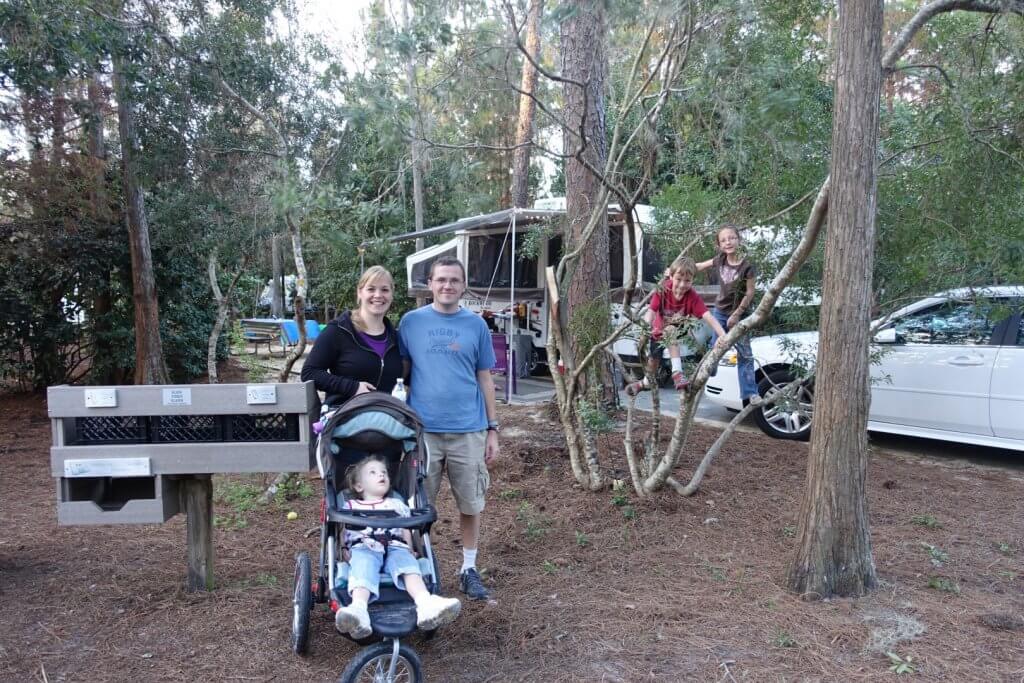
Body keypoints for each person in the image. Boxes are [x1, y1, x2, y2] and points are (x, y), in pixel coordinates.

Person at [398, 256, 499, 601]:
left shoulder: (476, 326)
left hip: (468, 431)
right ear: (430, 283)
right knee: (415, 504)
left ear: (463, 285)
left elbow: (485, 378)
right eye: (441, 279)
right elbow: (403, 373)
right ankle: (416, 569)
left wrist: (493, 428)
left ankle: (468, 569)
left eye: (454, 280)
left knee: (470, 503)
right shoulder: (410, 322)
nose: (447, 286)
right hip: (421, 432)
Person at [333, 455, 462, 638]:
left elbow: (404, 527)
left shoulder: (396, 503)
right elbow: (342, 529)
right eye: (373, 472)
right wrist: (343, 549)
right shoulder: (350, 505)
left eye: (384, 472)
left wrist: (410, 548)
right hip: (364, 546)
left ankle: (426, 604)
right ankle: (358, 609)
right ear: (359, 485)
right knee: (364, 565)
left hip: (395, 544)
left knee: (407, 565)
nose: (381, 475)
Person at [301, 266, 402, 406]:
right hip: (346, 417)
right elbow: (309, 373)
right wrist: (352, 387)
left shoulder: (396, 338)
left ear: (392, 295)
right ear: (360, 292)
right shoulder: (338, 331)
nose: (378, 295)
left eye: (384, 290)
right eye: (371, 289)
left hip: (387, 419)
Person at [626, 256, 726, 396]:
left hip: (678, 332)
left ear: (692, 281)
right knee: (653, 363)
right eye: (678, 279)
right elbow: (651, 312)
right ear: (671, 276)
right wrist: (645, 328)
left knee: (670, 330)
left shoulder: (692, 297)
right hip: (657, 331)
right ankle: (643, 383)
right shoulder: (662, 290)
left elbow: (709, 317)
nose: (682, 285)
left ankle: (677, 372)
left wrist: (722, 335)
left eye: (687, 281)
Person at [697, 224, 761, 406]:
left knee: (744, 354)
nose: (728, 242)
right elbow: (700, 265)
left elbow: (750, 293)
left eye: (731, 238)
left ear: (738, 239)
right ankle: (711, 368)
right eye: (723, 240)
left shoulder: (747, 266)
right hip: (720, 311)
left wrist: (737, 313)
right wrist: (677, 270)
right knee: (716, 345)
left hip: (740, 315)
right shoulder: (720, 260)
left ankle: (751, 393)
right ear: (719, 245)